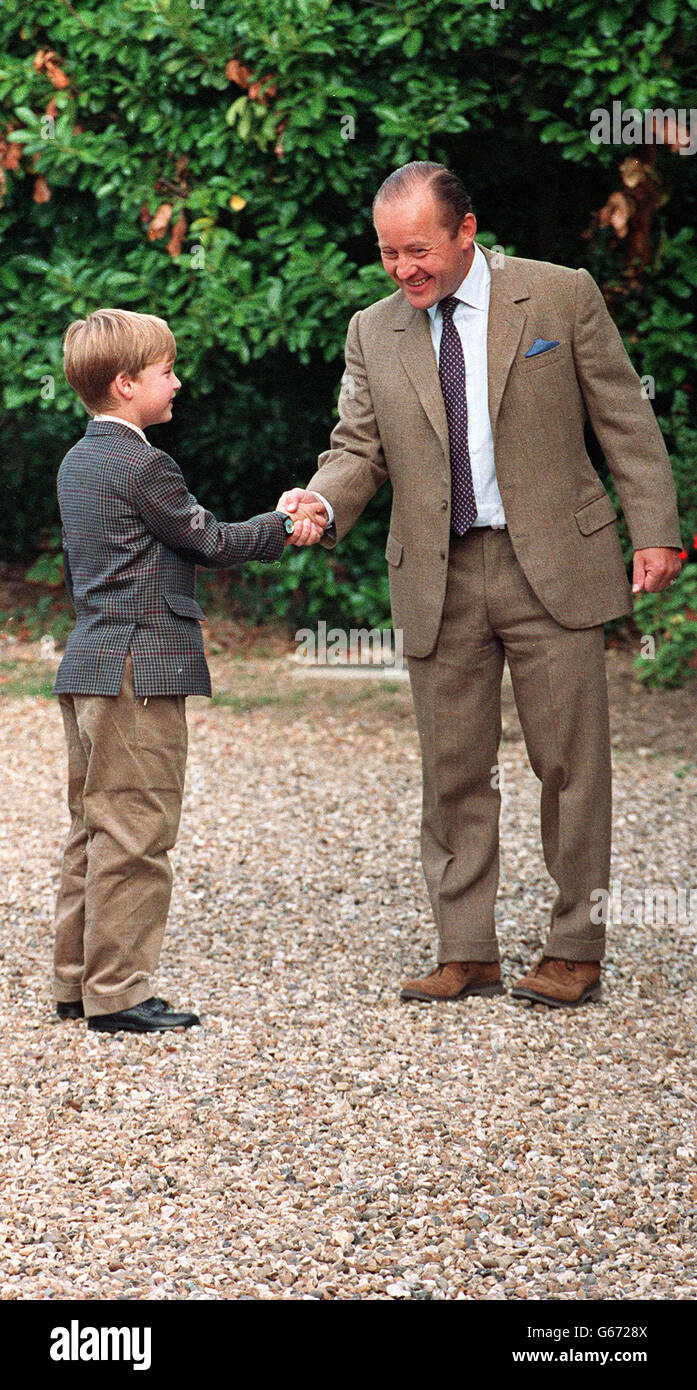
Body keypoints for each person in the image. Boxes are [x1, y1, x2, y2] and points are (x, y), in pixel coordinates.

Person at [279, 160, 683, 1008]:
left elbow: (624, 418)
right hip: (438, 573)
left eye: (417, 249)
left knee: (570, 768)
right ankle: (468, 949)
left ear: (466, 231)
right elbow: (357, 448)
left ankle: (575, 947)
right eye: (388, 254)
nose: (403, 269)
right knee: (451, 771)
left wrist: (654, 531)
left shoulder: (559, 294)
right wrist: (320, 498)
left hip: (555, 567)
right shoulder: (372, 330)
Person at [52, 308, 326, 1034]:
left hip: (88, 662)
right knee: (138, 830)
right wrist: (282, 524)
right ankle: (118, 993)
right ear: (125, 383)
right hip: (140, 670)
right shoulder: (144, 463)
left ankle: (76, 982)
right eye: (167, 371)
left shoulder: (79, 459)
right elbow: (208, 541)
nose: (177, 382)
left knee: (91, 827)